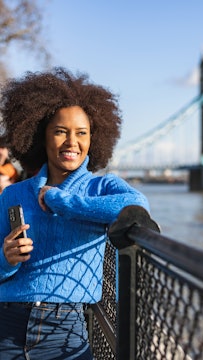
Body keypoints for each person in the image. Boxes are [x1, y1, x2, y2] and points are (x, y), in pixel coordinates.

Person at [0, 68, 150, 359]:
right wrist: (6, 259)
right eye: (60, 131)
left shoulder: (102, 186)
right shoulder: (12, 195)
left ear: (94, 139)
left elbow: (137, 205)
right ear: (41, 136)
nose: (72, 142)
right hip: (6, 325)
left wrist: (61, 201)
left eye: (82, 133)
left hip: (65, 333)